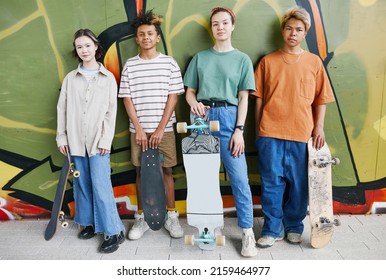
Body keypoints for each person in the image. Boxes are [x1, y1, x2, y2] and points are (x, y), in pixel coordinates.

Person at [253, 6, 335, 248]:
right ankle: (271, 228)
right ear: (283, 30)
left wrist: (318, 128)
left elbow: (321, 99)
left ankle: (293, 227)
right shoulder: (268, 61)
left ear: (305, 32)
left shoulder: (313, 63)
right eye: (289, 28)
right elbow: (258, 98)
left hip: (302, 134)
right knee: (271, 183)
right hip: (270, 133)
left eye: (298, 29)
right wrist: (259, 130)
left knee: (299, 184)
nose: (293, 33)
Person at [184, 7, 257, 257]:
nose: (220, 27)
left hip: (229, 118)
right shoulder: (200, 58)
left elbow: (244, 97)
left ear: (232, 26)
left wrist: (239, 130)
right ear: (212, 28)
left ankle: (247, 233)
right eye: (216, 24)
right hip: (202, 118)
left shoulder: (242, 59)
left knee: (239, 178)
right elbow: (190, 91)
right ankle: (210, 228)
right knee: (204, 180)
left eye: (225, 23)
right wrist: (192, 102)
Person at [56, 29, 125, 253]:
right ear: (76, 51)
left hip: (98, 142)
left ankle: (114, 231)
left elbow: (110, 113)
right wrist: (62, 136)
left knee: (101, 185)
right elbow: (62, 109)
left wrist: (106, 139)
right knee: (82, 184)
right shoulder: (70, 79)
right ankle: (90, 224)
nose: (84, 50)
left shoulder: (107, 79)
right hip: (75, 140)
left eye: (87, 45)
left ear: (96, 46)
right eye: (79, 47)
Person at [118, 10, 184, 240]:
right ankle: (142, 217)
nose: (146, 37)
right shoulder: (130, 65)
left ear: (157, 38)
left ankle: (171, 215)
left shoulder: (169, 64)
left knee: (166, 170)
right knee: (141, 172)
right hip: (139, 131)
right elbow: (127, 98)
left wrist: (158, 129)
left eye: (150, 34)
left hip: (163, 130)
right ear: (136, 39)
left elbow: (173, 98)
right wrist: (138, 129)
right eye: (141, 34)